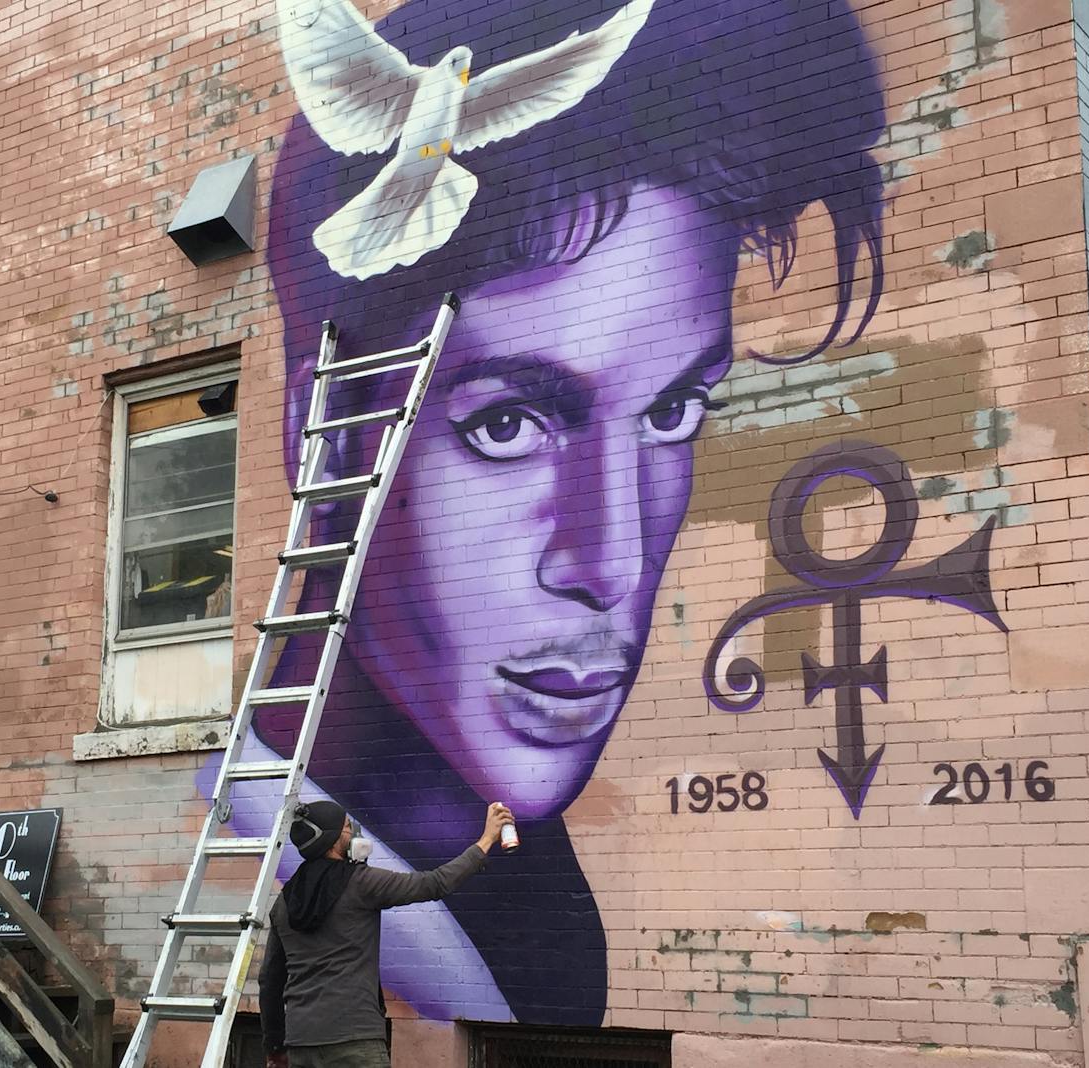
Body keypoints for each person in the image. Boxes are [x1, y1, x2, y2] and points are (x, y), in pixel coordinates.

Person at [201, 0, 889, 1027]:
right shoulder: (321, 877)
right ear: (327, 428)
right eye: (509, 424)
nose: (605, 559)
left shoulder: (536, 895)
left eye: (671, 410)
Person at [260, 800, 515, 1068]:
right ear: (334, 841)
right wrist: (486, 840)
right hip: (355, 1039)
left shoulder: (283, 902)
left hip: (301, 1042)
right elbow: (434, 883)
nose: (353, 832)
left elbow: (270, 980)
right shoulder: (361, 882)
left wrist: (275, 1046)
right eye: (347, 827)